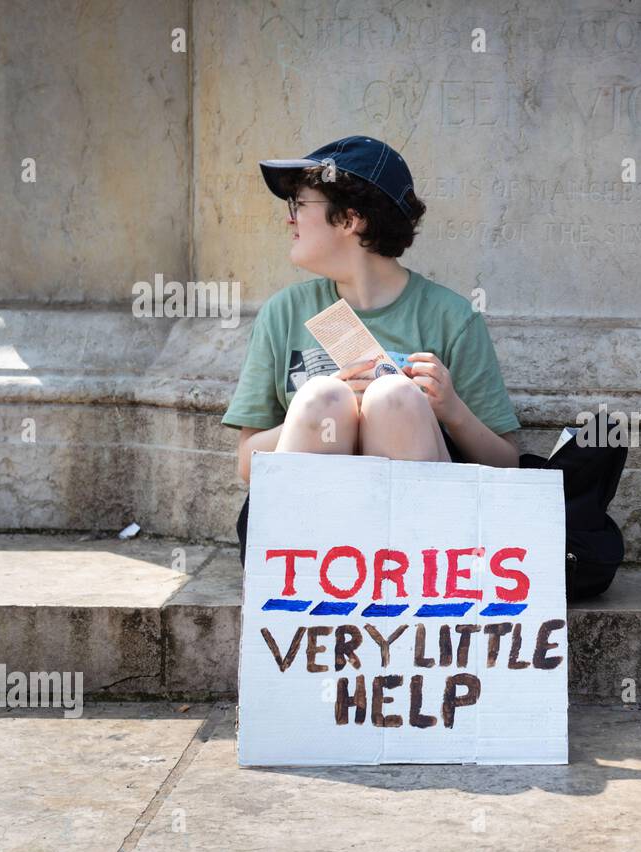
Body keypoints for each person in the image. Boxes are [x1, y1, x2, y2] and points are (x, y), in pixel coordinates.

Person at [221, 136, 521, 561]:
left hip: (417, 548)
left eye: (299, 205)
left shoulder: (452, 317)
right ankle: (310, 574)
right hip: (309, 542)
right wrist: (321, 404)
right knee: (324, 397)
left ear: (349, 220)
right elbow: (248, 464)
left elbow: (507, 465)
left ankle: (405, 574)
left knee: (392, 398)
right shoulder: (284, 312)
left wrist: (449, 408)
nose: (290, 221)